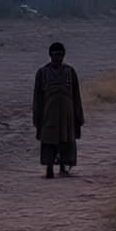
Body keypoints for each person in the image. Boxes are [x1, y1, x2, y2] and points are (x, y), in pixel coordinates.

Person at [33, 41, 84, 178]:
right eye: (55, 55)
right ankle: (49, 169)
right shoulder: (42, 73)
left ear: (64, 55)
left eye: (60, 55)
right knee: (49, 142)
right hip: (48, 115)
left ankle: (63, 168)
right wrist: (37, 120)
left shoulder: (70, 72)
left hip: (67, 116)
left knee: (66, 141)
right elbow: (37, 99)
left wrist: (79, 116)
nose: (57, 58)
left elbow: (76, 96)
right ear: (50, 55)